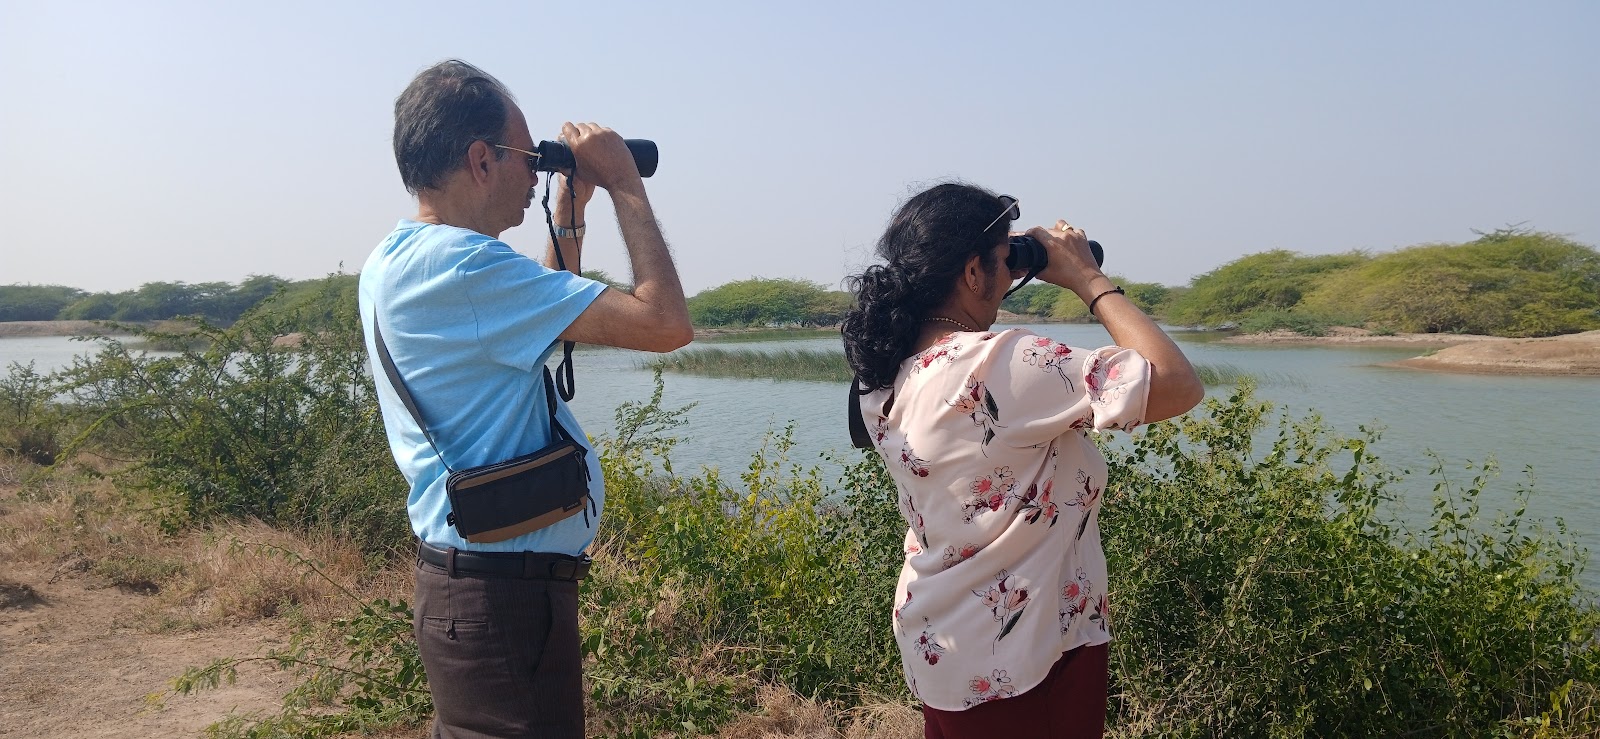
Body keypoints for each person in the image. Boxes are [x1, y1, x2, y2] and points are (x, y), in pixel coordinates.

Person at [358, 60, 692, 738]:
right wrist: (624, 181)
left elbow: (529, 323)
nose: (533, 172)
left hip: (471, 587)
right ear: (481, 160)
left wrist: (570, 206)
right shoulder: (464, 265)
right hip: (501, 600)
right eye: (524, 155)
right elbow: (666, 323)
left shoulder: (398, 258)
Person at [840, 183, 1203, 738]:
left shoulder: (882, 368)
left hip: (940, 637)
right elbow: (1177, 384)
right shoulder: (1002, 364)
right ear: (971, 273)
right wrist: (1087, 278)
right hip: (1026, 653)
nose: (1012, 274)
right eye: (1005, 260)